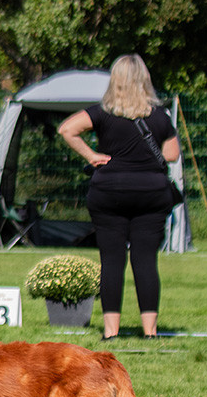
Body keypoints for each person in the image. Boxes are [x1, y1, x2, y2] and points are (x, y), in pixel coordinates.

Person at [58, 54, 180, 341]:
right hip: (151, 193)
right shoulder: (160, 116)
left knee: (111, 260)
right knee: (146, 260)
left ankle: (111, 332)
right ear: (144, 80)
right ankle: (150, 332)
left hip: (109, 192)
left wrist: (92, 155)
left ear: (115, 81)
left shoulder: (101, 113)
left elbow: (67, 129)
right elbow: (172, 154)